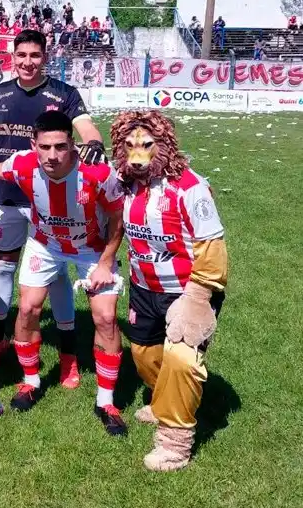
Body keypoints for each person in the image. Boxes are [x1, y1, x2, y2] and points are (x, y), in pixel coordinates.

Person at [0, 111, 128, 436]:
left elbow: (117, 219)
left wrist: (107, 262)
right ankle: (31, 382)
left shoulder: (97, 173)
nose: (52, 156)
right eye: (45, 147)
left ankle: (106, 401)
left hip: (92, 249)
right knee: (27, 308)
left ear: (73, 145)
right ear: (33, 144)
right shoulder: (24, 164)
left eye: (61, 147)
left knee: (106, 317)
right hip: (45, 244)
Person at [0, 29, 107, 390]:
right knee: (3, 264)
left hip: (53, 201)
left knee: (54, 275)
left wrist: (94, 142)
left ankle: (68, 354)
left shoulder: (64, 93)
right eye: (21, 55)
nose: (27, 62)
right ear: (12, 56)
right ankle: (0, 340)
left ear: (45, 57)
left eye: (35, 55)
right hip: (7, 196)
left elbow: (84, 125)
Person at [110, 110, 228, 471]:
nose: (137, 154)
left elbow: (212, 245)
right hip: (144, 288)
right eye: (129, 146)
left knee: (180, 360)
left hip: (189, 291)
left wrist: (199, 295)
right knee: (145, 355)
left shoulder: (191, 187)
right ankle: (165, 400)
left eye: (146, 145)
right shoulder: (126, 181)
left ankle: (175, 443)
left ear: (163, 145)